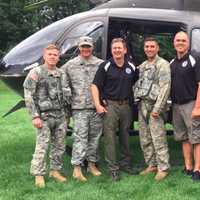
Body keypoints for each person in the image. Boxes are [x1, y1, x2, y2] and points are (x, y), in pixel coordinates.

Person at [91, 38, 138, 181]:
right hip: (110, 106)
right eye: (114, 48)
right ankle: (113, 168)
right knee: (110, 137)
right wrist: (98, 105)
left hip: (126, 106)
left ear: (125, 50)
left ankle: (125, 164)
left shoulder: (131, 66)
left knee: (125, 135)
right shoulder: (105, 66)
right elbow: (94, 86)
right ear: (112, 50)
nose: (117, 50)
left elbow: (137, 83)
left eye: (119, 48)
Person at [23, 44, 70, 188]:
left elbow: (66, 94)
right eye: (50, 54)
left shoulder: (61, 73)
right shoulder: (35, 72)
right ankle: (39, 174)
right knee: (42, 146)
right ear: (44, 56)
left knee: (59, 146)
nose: (53, 57)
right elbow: (28, 96)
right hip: (44, 117)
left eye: (55, 55)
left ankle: (55, 171)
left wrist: (67, 115)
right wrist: (34, 116)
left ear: (58, 57)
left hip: (60, 116)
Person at [61, 36, 103, 182]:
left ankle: (91, 165)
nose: (86, 49)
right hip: (79, 108)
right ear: (79, 47)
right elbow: (62, 82)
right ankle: (77, 168)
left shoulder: (100, 64)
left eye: (88, 46)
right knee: (80, 138)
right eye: (83, 46)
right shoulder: (70, 65)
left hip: (96, 108)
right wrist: (69, 98)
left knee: (95, 138)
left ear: (92, 48)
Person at [134, 37, 171, 181]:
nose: (149, 49)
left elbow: (165, 87)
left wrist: (157, 108)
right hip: (142, 105)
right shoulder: (143, 65)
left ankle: (163, 167)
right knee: (145, 138)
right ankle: (152, 165)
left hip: (155, 107)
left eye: (152, 46)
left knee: (158, 138)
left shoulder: (163, 64)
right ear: (144, 48)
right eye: (147, 46)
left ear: (157, 48)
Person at [171, 31, 200, 181]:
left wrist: (198, 107)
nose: (180, 43)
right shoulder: (172, 63)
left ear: (188, 43)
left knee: (196, 138)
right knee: (184, 138)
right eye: (178, 40)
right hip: (176, 106)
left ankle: (197, 169)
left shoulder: (194, 59)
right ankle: (188, 167)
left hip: (191, 104)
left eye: (183, 40)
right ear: (174, 43)